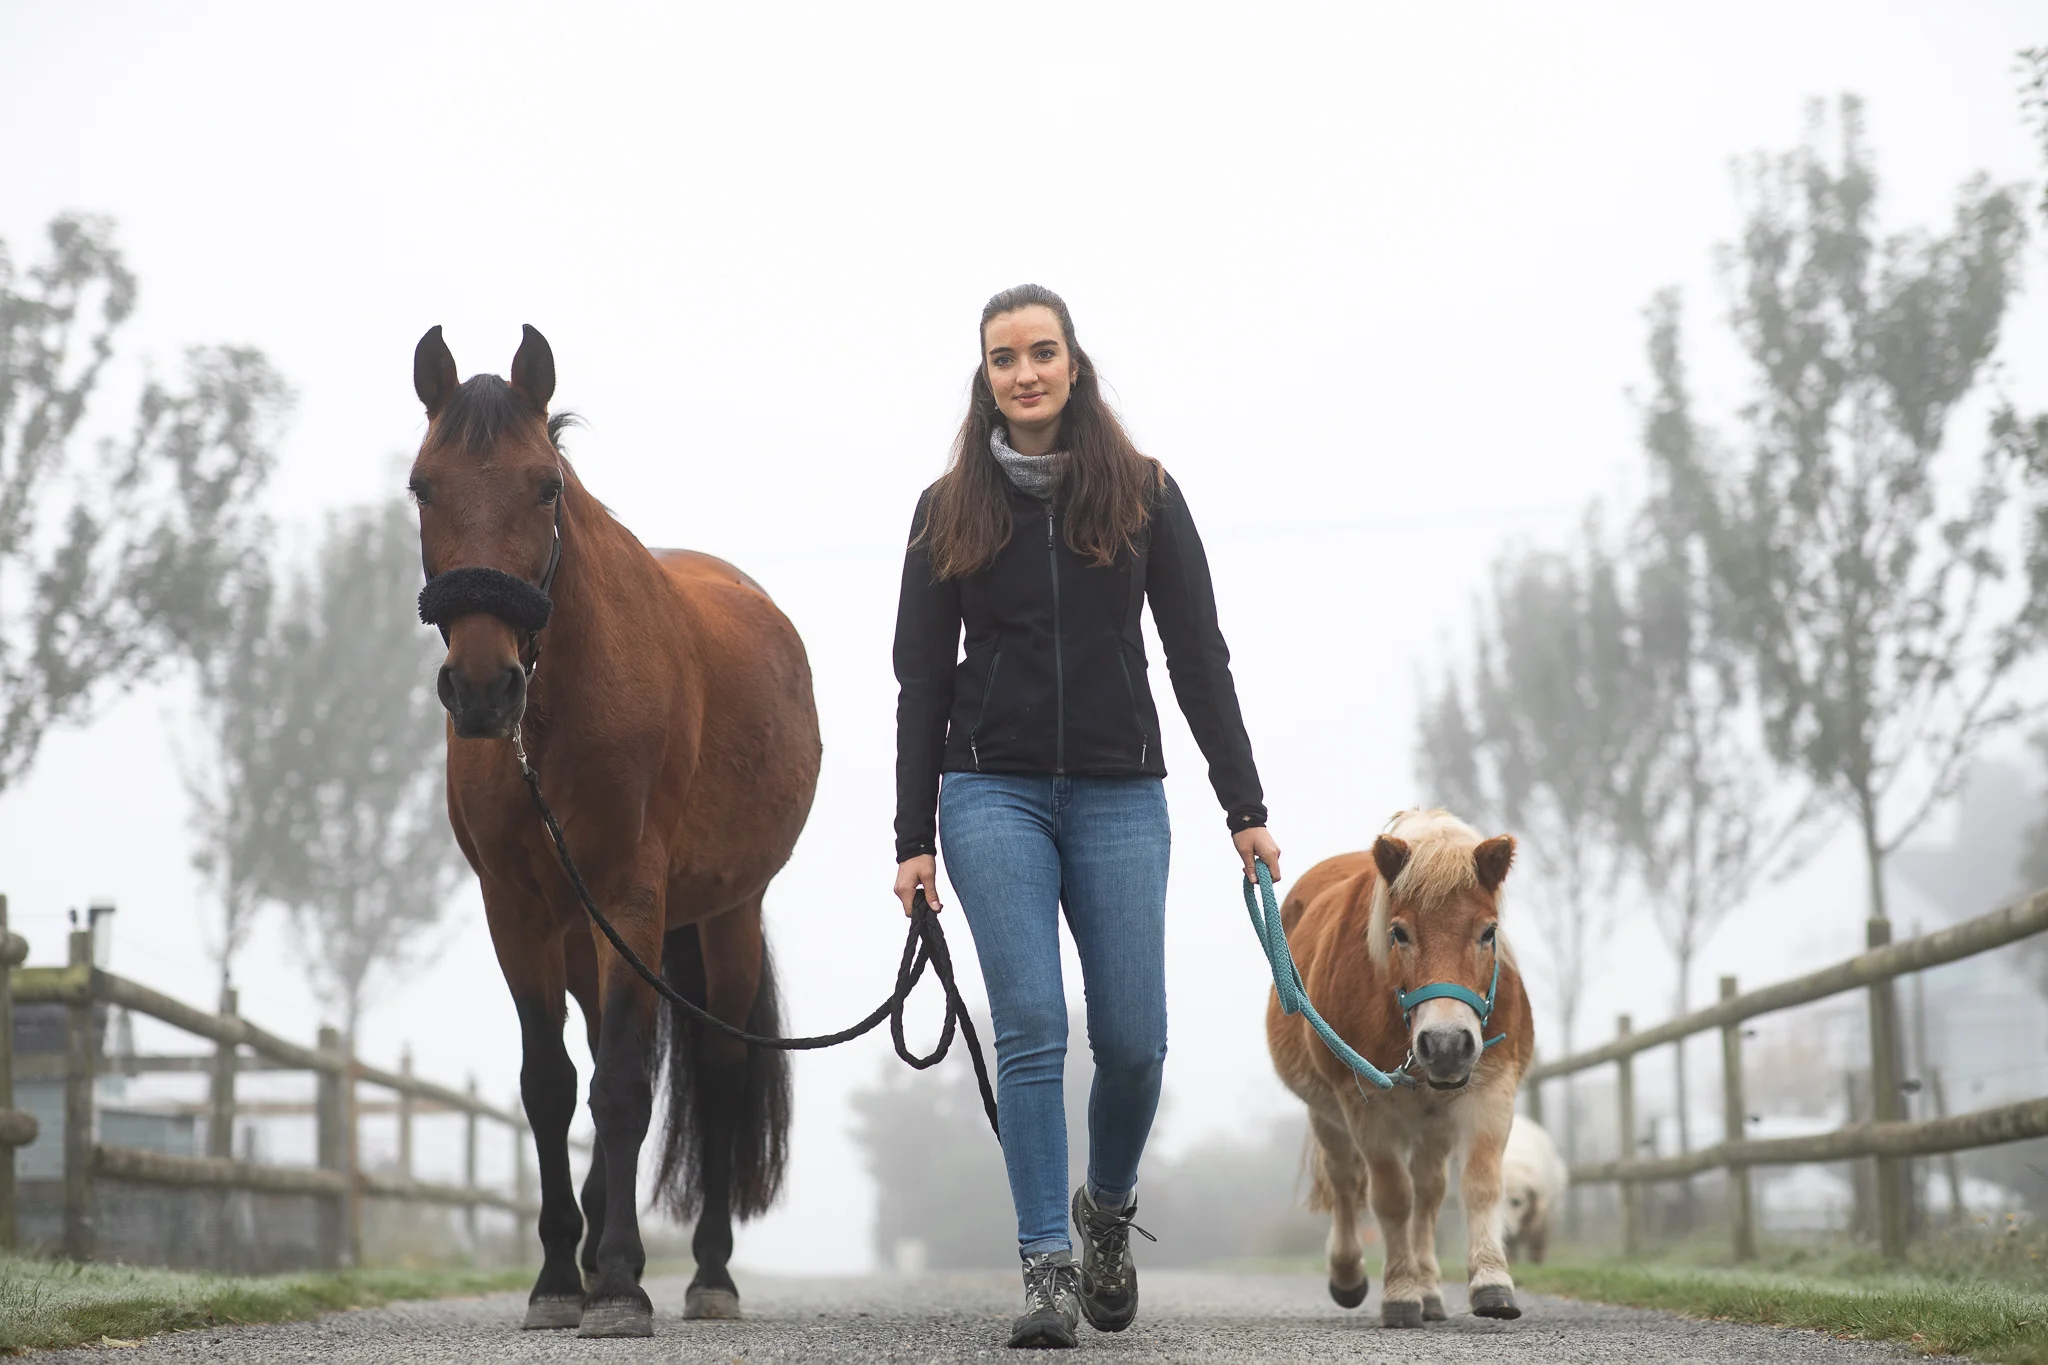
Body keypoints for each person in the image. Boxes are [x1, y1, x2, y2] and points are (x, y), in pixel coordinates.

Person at [892, 283, 1282, 1349]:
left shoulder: (1145, 494)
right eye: (1003, 358)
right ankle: (1044, 1270)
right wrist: (911, 838)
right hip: (989, 794)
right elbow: (920, 683)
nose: (1023, 373)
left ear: (1073, 363)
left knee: (1133, 1041)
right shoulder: (947, 509)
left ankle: (1103, 1212)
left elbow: (1198, 658)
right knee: (1030, 1030)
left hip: (1119, 793)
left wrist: (1242, 806)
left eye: (1040, 352)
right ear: (985, 377)